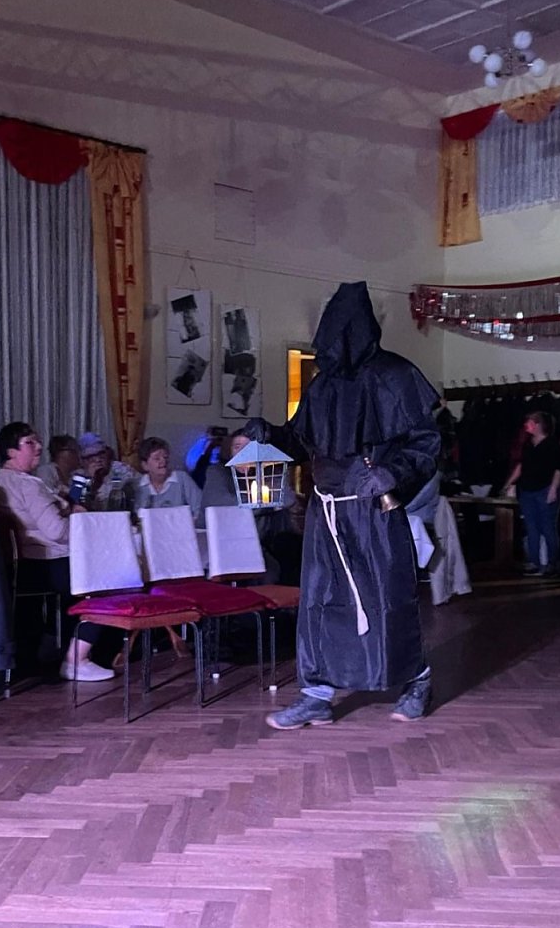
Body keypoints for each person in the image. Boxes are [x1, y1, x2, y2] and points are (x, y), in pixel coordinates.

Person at [243, 281, 440, 729]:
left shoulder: (395, 375)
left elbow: (426, 442)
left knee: (384, 599)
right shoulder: (323, 385)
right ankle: (316, 694)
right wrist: (270, 434)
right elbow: (301, 441)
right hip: (326, 510)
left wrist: (393, 473)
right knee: (319, 601)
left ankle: (417, 680)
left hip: (372, 511)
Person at [0, 422, 111, 682]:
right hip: (46, 563)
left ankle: (65, 649)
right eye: (30, 443)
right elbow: (57, 531)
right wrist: (79, 518)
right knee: (107, 580)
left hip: (22, 567)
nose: (39, 447)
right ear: (11, 452)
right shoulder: (28, 485)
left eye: (37, 441)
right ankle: (78, 659)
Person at [200, 428, 302, 584]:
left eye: (248, 448)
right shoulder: (217, 472)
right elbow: (222, 502)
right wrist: (267, 505)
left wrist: (261, 503)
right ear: (229, 451)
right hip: (223, 546)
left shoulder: (266, 471)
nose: (243, 452)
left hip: (259, 544)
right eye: (237, 447)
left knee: (279, 566)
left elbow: (287, 498)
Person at [503, 411, 560, 577]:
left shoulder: (552, 444)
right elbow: (521, 466)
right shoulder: (528, 444)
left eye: (530, 422)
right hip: (527, 490)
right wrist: (509, 483)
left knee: (548, 527)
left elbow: (559, 469)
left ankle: (553, 563)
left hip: (544, 489)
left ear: (538, 425)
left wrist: (553, 489)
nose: (526, 425)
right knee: (531, 527)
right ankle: (533, 562)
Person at [132, 437, 202, 523]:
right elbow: (137, 517)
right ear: (145, 465)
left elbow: (199, 508)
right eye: (157, 458)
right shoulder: (138, 486)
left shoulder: (181, 479)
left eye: (165, 457)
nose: (163, 461)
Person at [77, 432, 137, 511]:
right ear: (82, 461)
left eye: (101, 454)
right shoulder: (78, 476)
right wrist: (90, 481)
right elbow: (77, 507)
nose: (98, 460)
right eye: (91, 457)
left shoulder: (122, 470)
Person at [36, 434, 81, 498]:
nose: (79, 454)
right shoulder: (46, 471)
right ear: (61, 453)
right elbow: (46, 495)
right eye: (74, 450)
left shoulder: (76, 475)